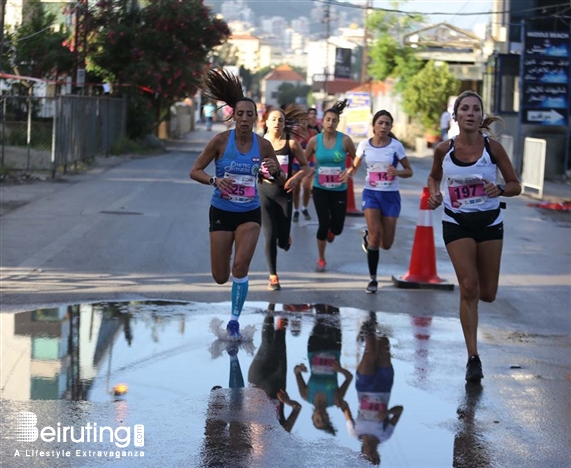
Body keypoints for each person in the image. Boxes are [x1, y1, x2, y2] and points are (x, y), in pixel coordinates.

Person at [427, 90, 521, 382]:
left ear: (481, 116)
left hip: (490, 223)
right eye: (464, 109)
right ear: (455, 116)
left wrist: (501, 189)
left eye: (475, 109)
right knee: (468, 287)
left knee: (487, 293)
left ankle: (473, 311)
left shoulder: (493, 149)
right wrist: (434, 194)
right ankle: (473, 357)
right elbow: (433, 177)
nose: (470, 113)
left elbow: (515, 184)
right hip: (456, 223)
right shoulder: (444, 149)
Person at [189, 68, 287, 340]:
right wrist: (214, 181)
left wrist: (274, 171)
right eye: (240, 114)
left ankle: (234, 320)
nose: (244, 119)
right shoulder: (221, 141)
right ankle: (230, 292)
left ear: (257, 118)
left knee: (240, 267)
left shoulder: (264, 145)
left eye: (250, 114)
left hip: (249, 212)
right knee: (221, 276)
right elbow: (194, 170)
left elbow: (280, 181)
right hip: (221, 210)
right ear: (233, 116)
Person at [347, 110, 413, 294]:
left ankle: (368, 236)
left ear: (391, 127)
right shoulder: (364, 145)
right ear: (374, 125)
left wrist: (397, 172)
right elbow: (355, 166)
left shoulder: (396, 146)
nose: (383, 127)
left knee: (386, 244)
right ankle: (373, 279)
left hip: (390, 196)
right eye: (380, 123)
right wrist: (348, 173)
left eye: (387, 124)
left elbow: (409, 171)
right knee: (376, 236)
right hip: (371, 194)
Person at [343, 312, 404, 466]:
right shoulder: (385, 435)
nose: (371, 455)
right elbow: (400, 410)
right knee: (383, 342)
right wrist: (388, 413)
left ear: (362, 454)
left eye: (367, 458)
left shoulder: (354, 433)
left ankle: (368, 325)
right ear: (378, 456)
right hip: (384, 386)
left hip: (364, 387)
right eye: (375, 458)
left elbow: (345, 410)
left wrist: (340, 402)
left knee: (370, 351)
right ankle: (369, 328)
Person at [260, 105, 310, 291]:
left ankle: (285, 237)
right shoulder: (258, 142)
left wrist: (295, 178)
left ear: (284, 124)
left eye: (280, 120)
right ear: (266, 122)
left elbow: (306, 167)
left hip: (284, 194)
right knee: (269, 235)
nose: (276, 123)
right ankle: (273, 276)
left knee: (282, 242)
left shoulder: (291, 143)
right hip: (263, 191)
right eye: (273, 119)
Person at [304, 100, 357, 272]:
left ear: (337, 122)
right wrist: (309, 170)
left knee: (338, 228)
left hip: (339, 190)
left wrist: (349, 172)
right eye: (328, 119)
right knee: (323, 223)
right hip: (320, 188)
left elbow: (356, 161)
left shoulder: (345, 140)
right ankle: (321, 258)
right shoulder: (314, 141)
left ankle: (332, 231)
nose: (330, 123)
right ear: (323, 120)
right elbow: (304, 160)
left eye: (334, 120)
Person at [294, 304, 353, 436]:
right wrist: (341, 370)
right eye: (323, 420)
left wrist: (300, 369)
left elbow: (296, 372)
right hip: (333, 350)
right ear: (328, 417)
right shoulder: (336, 399)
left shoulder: (305, 395)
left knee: (319, 316)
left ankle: (320, 290)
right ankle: (334, 294)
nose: (320, 417)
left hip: (314, 350)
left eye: (317, 420)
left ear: (313, 417)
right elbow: (349, 378)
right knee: (334, 317)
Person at [248, 305, 302, 432]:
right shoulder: (282, 432)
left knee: (266, 344)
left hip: (257, 380)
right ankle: (285, 303)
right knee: (280, 335)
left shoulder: (250, 436)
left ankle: (271, 305)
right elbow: (297, 408)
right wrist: (288, 402)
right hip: (278, 382)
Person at [291, 112, 319, 223]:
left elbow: (317, 150)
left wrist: (316, 165)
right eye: (301, 121)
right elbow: (291, 148)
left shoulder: (313, 133)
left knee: (307, 186)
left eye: (305, 121)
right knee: (296, 188)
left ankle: (304, 208)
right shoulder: (295, 133)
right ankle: (296, 210)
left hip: (309, 163)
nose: (303, 123)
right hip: (296, 163)